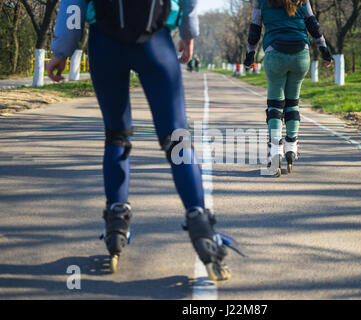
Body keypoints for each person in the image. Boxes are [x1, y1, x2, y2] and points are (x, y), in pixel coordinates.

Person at [46, 0, 230, 281]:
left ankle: (116, 225)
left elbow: (74, 4)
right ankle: (202, 228)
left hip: (105, 43)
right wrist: (188, 33)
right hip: (155, 40)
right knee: (176, 139)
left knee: (116, 135)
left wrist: (62, 50)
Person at [244, 0, 332, 176]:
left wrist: (250, 55)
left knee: (275, 105)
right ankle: (291, 147)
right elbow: (313, 25)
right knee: (293, 103)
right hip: (301, 55)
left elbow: (255, 30)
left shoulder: (261, 2)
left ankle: (275, 151)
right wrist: (324, 51)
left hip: (275, 54)